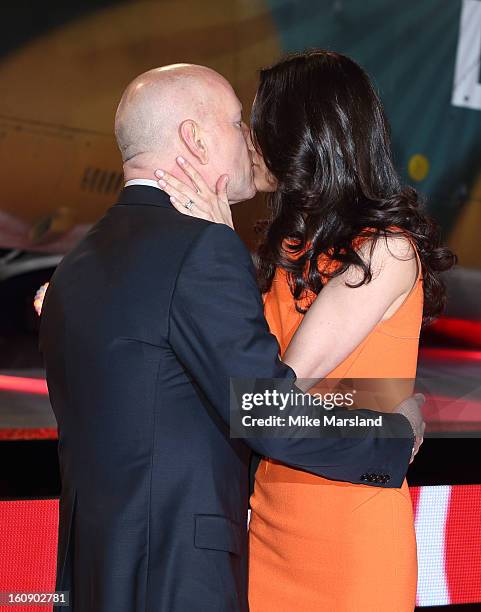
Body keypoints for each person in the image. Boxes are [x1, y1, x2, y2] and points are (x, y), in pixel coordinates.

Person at [40, 63, 423, 612]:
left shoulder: (85, 259)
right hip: (247, 534)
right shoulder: (235, 254)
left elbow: (265, 385)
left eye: (257, 123)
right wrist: (392, 430)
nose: (250, 139)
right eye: (240, 123)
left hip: (336, 532)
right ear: (193, 138)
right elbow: (266, 398)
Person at [156, 53, 455, 611]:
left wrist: (220, 243)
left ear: (299, 133)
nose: (247, 138)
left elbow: (276, 388)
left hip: (348, 538)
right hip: (269, 526)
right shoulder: (291, 248)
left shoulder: (385, 249)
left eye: (258, 121)